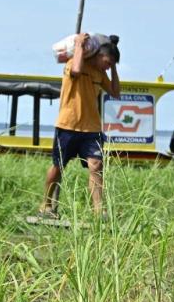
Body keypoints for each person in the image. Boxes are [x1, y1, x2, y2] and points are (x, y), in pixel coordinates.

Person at [39, 33, 121, 217]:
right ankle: (45, 204)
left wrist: (113, 67)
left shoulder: (100, 74)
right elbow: (76, 70)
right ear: (98, 55)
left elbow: (115, 92)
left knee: (96, 165)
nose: (107, 68)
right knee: (58, 166)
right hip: (68, 125)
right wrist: (78, 44)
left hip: (91, 129)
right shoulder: (73, 64)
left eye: (110, 65)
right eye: (107, 62)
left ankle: (99, 211)